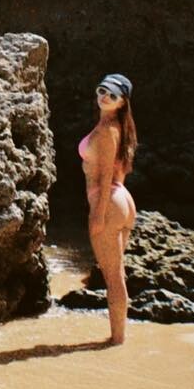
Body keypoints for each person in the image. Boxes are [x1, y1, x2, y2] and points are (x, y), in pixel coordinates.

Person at [80, 72, 138, 345]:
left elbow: (104, 176)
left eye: (112, 95)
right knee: (117, 274)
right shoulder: (119, 128)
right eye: (102, 90)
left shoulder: (106, 131)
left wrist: (98, 214)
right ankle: (118, 337)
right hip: (123, 199)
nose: (105, 97)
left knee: (113, 277)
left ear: (122, 102)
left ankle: (117, 340)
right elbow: (119, 172)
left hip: (108, 200)